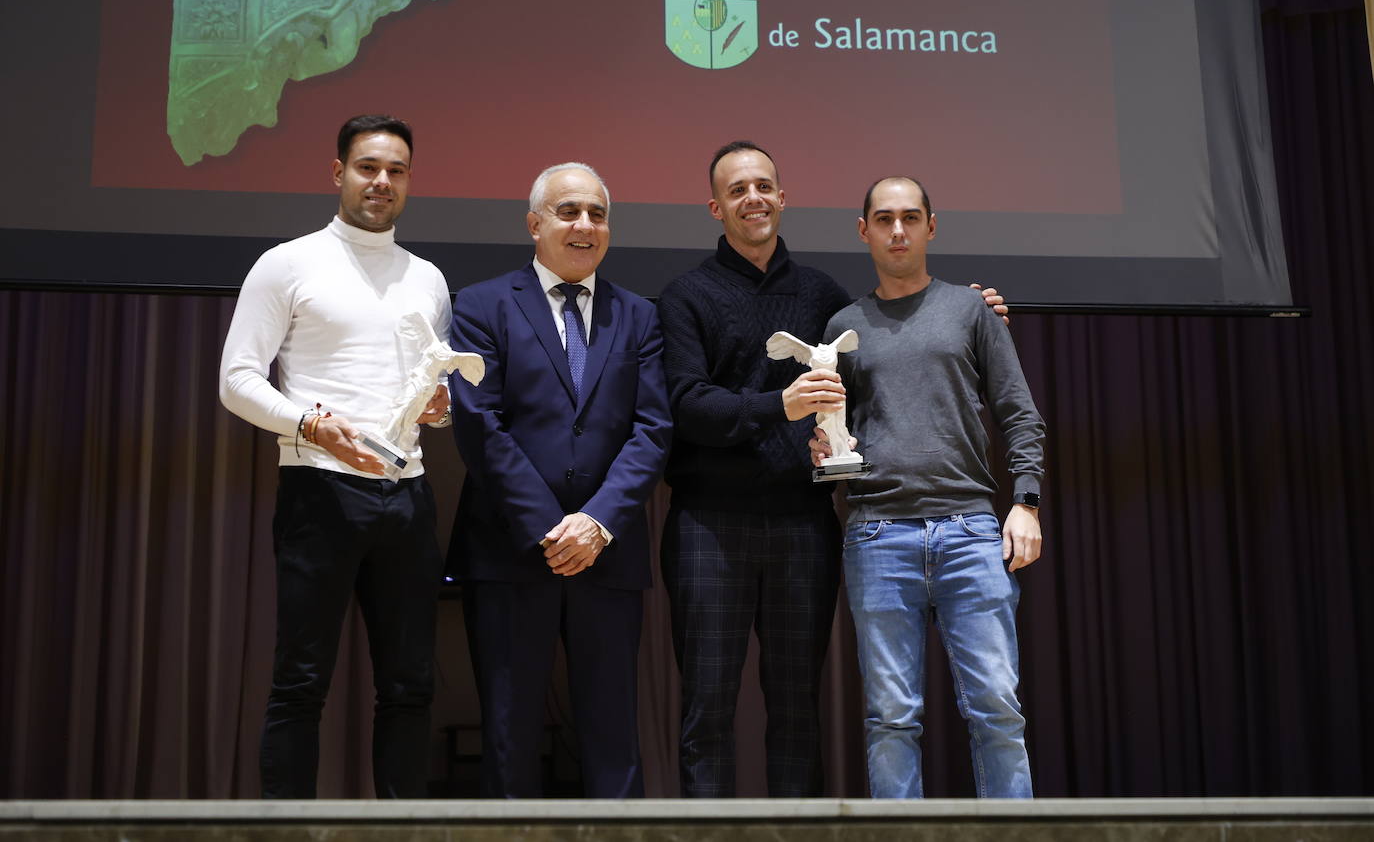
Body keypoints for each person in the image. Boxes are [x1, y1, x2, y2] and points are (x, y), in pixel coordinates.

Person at [655, 142, 1008, 796]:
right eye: (737, 190)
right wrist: (776, 404)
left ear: (783, 197)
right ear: (715, 207)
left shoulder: (825, 297)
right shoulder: (685, 296)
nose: (753, 198)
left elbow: (884, 363)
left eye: (764, 185)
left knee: (797, 710)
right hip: (710, 526)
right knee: (707, 712)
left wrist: (974, 307)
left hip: (802, 523)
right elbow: (684, 405)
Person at [219, 114, 452, 798]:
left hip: (408, 494)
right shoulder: (288, 263)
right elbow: (237, 380)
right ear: (338, 173)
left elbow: (427, 386)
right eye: (368, 167)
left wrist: (439, 409)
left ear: (409, 181)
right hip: (319, 491)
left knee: (410, 688)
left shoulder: (428, 279)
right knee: (300, 684)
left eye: (396, 171)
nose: (382, 182)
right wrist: (312, 425)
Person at [446, 162, 672, 798]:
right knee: (510, 737)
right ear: (534, 224)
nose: (585, 225)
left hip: (608, 552)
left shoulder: (639, 316)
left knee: (613, 738)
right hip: (512, 550)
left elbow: (651, 430)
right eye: (569, 211)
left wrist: (596, 524)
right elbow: (478, 423)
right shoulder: (482, 305)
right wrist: (553, 528)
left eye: (598, 214)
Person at [814, 176, 1045, 798]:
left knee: (998, 710)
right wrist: (825, 445)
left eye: (910, 218)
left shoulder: (970, 311)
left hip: (970, 530)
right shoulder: (844, 326)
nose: (897, 231)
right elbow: (839, 429)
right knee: (891, 719)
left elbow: (1019, 413)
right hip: (877, 534)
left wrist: (1025, 501)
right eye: (884, 219)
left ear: (931, 226)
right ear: (863, 230)